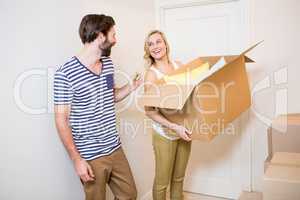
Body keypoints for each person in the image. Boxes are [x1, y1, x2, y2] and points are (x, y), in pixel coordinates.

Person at [54, 14, 141, 200]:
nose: (116, 40)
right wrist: (76, 159)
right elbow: (61, 119)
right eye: (113, 35)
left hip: (114, 147)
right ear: (101, 35)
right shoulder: (65, 73)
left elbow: (111, 96)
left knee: (129, 194)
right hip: (90, 155)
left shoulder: (108, 64)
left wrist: (131, 87)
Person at [143, 30, 192, 200]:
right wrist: (173, 127)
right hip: (164, 133)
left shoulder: (179, 66)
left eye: (158, 42)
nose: (155, 46)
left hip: (184, 130)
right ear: (148, 50)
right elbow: (149, 111)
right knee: (162, 182)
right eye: (151, 44)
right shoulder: (151, 75)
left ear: (165, 44)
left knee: (179, 178)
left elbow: (190, 96)